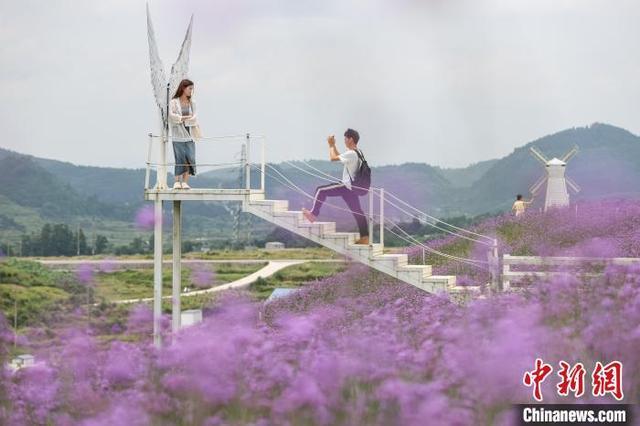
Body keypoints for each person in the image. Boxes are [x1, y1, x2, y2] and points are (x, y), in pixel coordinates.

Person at [302, 129, 369, 245]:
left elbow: (333, 158)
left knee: (320, 190)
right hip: (352, 189)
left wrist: (330, 145)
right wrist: (333, 145)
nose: (344, 141)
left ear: (350, 139)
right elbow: (339, 156)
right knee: (358, 211)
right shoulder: (358, 152)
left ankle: (313, 214)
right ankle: (365, 237)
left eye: (345, 139)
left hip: (346, 186)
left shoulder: (351, 153)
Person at [168, 79, 199, 189]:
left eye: (192, 89)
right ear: (183, 88)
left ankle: (185, 182)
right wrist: (182, 118)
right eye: (190, 88)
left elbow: (195, 116)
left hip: (189, 134)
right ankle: (177, 181)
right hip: (178, 135)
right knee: (179, 158)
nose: (191, 91)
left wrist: (187, 119)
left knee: (189, 158)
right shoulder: (174, 102)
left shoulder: (192, 103)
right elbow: (171, 116)